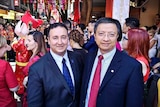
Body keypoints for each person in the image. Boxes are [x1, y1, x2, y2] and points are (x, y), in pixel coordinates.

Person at [79, 17, 144, 107]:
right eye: (101, 34)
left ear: (117, 36)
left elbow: (134, 102)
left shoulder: (131, 66)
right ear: (94, 35)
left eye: (111, 34)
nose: (106, 39)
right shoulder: (87, 58)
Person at [27, 23, 83, 107]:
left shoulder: (78, 58)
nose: (60, 42)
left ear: (68, 39)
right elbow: (35, 103)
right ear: (48, 40)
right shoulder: (37, 69)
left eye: (63, 37)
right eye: (55, 38)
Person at [22, 31, 47, 107]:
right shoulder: (42, 55)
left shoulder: (36, 59)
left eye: (29, 41)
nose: (26, 43)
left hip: (34, 94)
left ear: (37, 42)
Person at [0, 35, 19, 107]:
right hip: (6, 103)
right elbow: (14, 88)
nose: (6, 50)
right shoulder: (4, 65)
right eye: (4, 47)